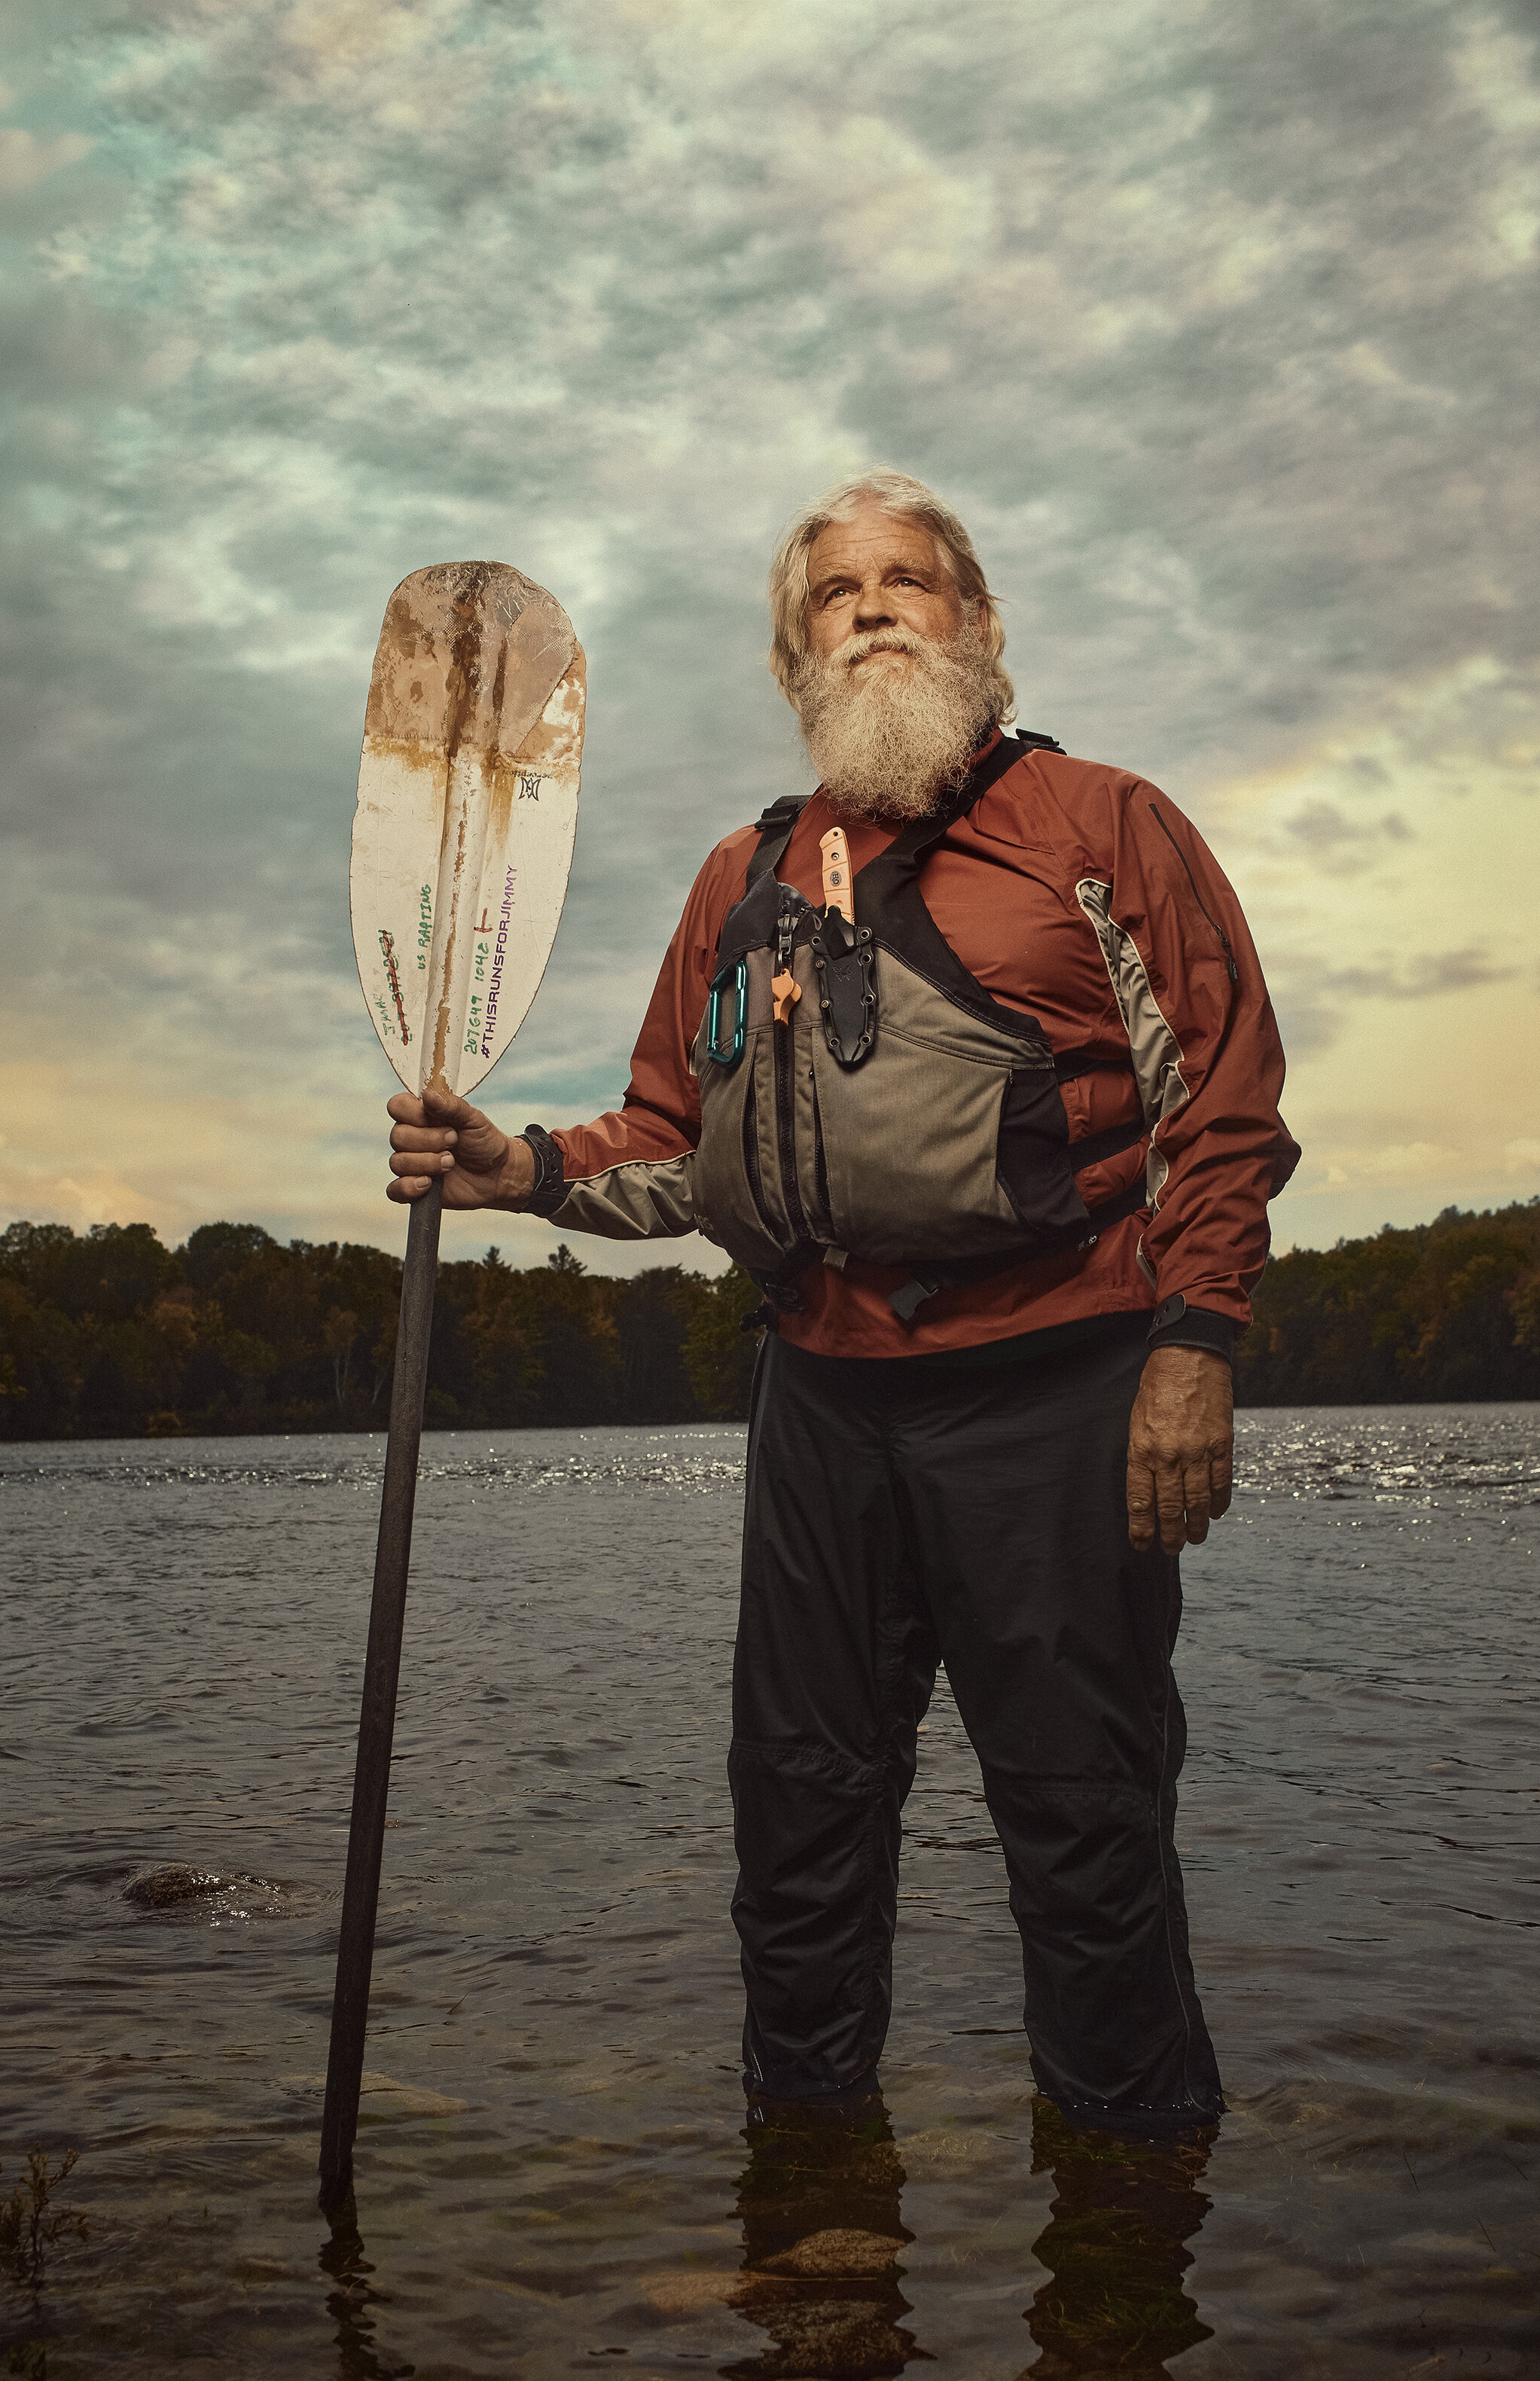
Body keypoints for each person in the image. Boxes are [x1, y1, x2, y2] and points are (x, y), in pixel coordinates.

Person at [385, 469, 1298, 2136]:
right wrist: (516, 1165)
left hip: (1061, 1384)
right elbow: (675, 1138)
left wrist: (1197, 1344)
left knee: (1085, 1824)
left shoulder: (1103, 825)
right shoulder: (741, 877)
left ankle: (1124, 2264)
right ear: (795, 654)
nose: (873, 607)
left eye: (911, 581)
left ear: (982, 627)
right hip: (820, 1401)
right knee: (798, 1819)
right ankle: (808, 2218)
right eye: (835, 592)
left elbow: (1221, 1107)